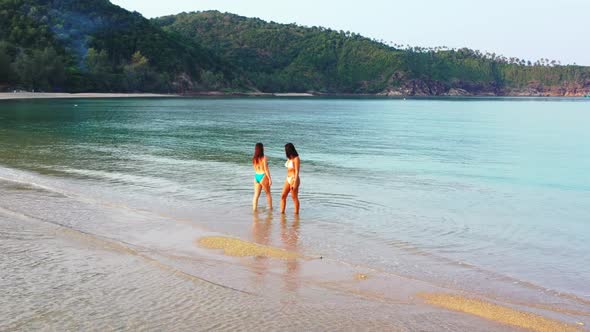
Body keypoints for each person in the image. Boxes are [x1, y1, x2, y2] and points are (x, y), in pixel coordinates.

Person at [281, 143, 300, 214]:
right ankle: (282, 213)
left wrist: (295, 182)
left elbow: (297, 171)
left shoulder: (296, 158)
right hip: (288, 178)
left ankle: (296, 215)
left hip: (294, 178)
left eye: (286, 150)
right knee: (283, 196)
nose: (285, 151)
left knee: (294, 198)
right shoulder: (289, 158)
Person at [252, 143, 272, 211]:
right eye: (263, 147)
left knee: (256, 196)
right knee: (268, 194)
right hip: (263, 176)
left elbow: (255, 168)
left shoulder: (254, 158)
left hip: (256, 176)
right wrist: (269, 179)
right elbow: (266, 169)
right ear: (261, 149)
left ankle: (254, 211)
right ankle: (270, 211)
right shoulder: (264, 158)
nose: (264, 148)